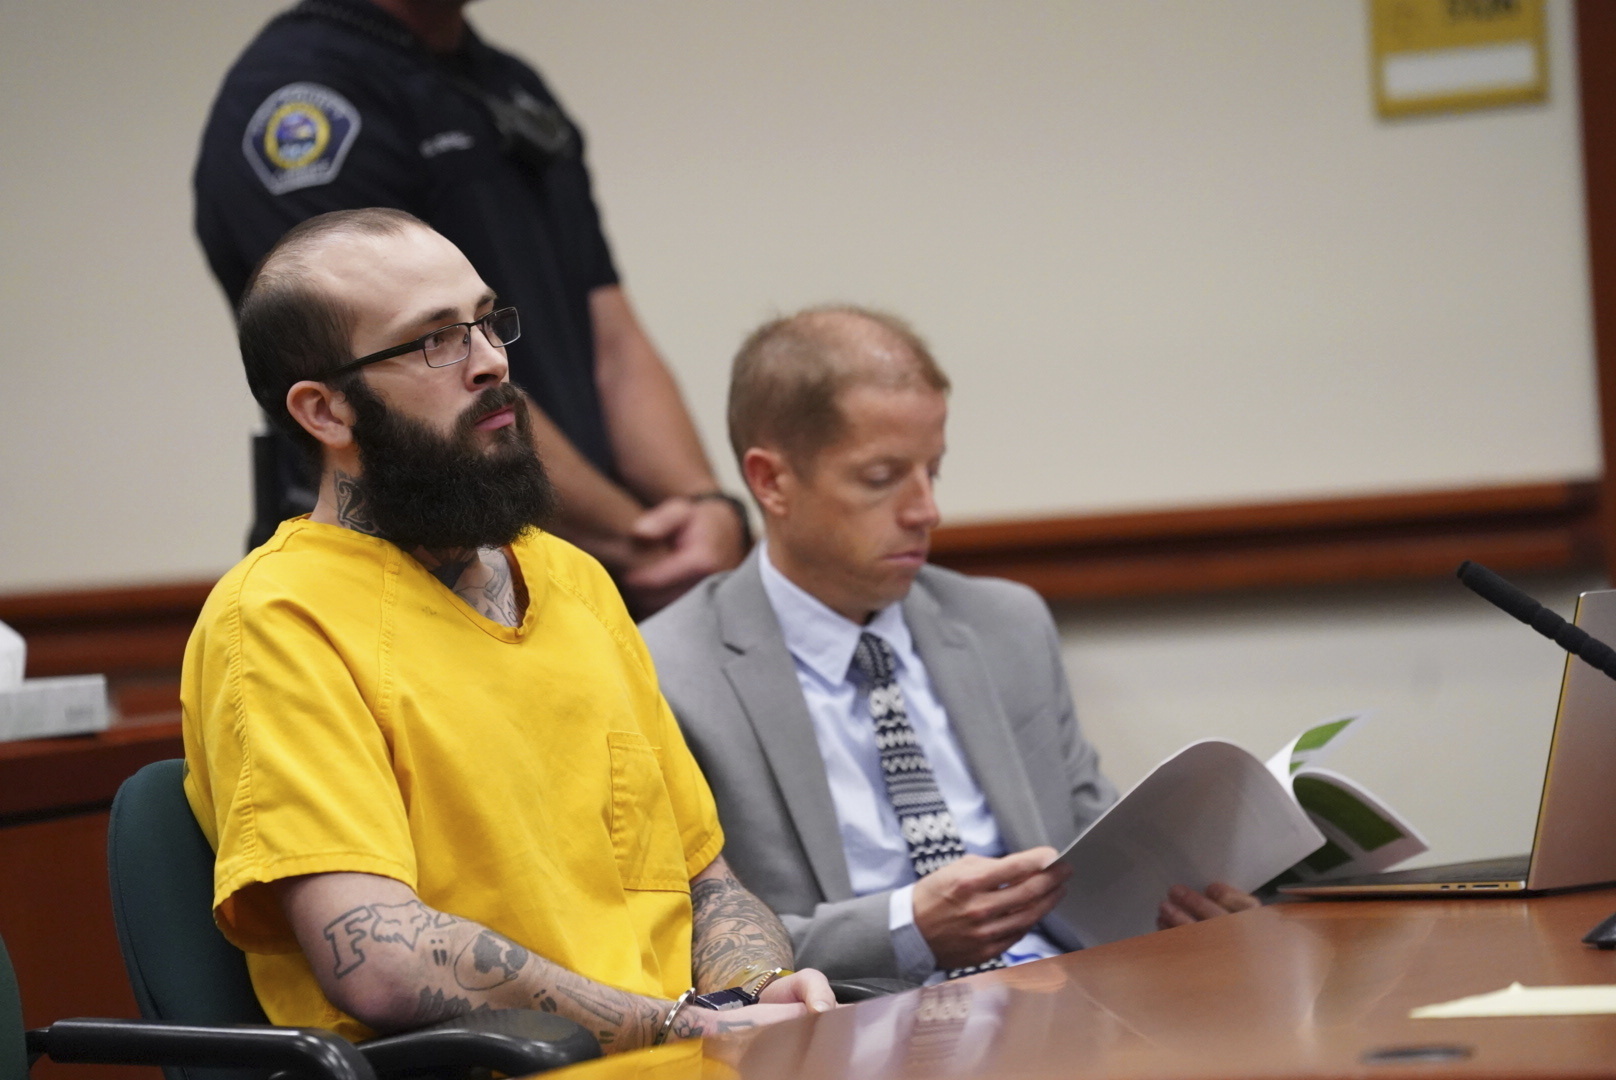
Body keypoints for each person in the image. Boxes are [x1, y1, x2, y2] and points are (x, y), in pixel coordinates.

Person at [180, 208, 836, 1052]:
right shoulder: (276, 618)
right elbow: (376, 954)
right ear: (326, 411)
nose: (492, 362)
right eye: (434, 341)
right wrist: (673, 1023)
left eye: (487, 322)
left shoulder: (572, 579)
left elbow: (705, 879)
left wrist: (761, 990)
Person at [640, 307, 1258, 983]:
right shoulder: (672, 674)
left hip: (1070, 1000)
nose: (925, 509)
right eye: (882, 478)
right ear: (772, 481)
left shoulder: (1005, 625)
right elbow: (690, 944)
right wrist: (906, 930)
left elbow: (1097, 846)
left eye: (933, 470)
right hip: (864, 1028)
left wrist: (1176, 903)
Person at [194, 0, 743, 613]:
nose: (491, 359)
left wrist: (704, 509)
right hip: (402, 578)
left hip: (575, 563)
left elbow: (613, 343)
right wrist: (642, 546)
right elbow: (440, 378)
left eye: (489, 324)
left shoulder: (508, 84)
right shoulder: (300, 97)